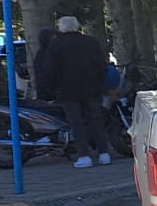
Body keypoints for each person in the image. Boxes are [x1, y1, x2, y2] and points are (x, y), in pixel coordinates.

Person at [38, 15, 113, 169]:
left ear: (61, 28)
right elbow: (102, 66)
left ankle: (84, 155)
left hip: (67, 90)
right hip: (91, 88)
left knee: (76, 123)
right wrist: (98, 82)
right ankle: (104, 154)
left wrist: (49, 88)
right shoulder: (91, 42)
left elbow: (49, 70)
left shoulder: (56, 45)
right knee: (96, 120)